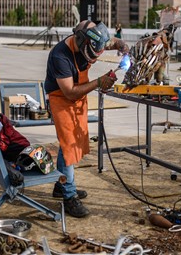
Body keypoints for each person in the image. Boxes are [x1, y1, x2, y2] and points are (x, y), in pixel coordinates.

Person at [45, 20, 128, 217]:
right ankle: (68, 196)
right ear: (81, 40)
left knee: (74, 144)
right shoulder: (60, 56)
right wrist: (99, 82)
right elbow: (70, 92)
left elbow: (113, 42)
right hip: (62, 98)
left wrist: (123, 47)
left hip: (76, 98)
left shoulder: (95, 38)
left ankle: (61, 186)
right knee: (68, 146)